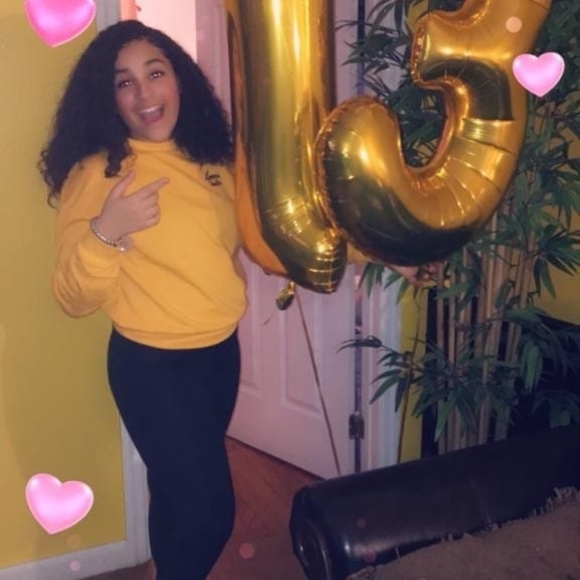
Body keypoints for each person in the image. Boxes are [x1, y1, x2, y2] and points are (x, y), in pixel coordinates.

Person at [40, 20, 246, 580]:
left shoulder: (212, 158)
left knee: (178, 498)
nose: (144, 93)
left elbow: (267, 237)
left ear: (179, 80)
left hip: (219, 353)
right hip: (153, 367)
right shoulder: (97, 173)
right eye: (124, 82)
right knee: (209, 514)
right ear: (108, 98)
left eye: (155, 73)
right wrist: (107, 230)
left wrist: (377, 252)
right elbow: (71, 297)